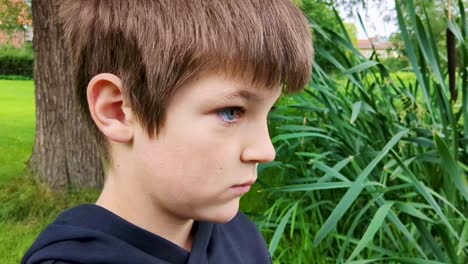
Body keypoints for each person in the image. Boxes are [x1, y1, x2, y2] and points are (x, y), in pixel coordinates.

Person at [21, 0, 313, 263]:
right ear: (118, 111)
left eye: (268, 112)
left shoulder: (241, 238)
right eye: (231, 112)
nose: (265, 150)